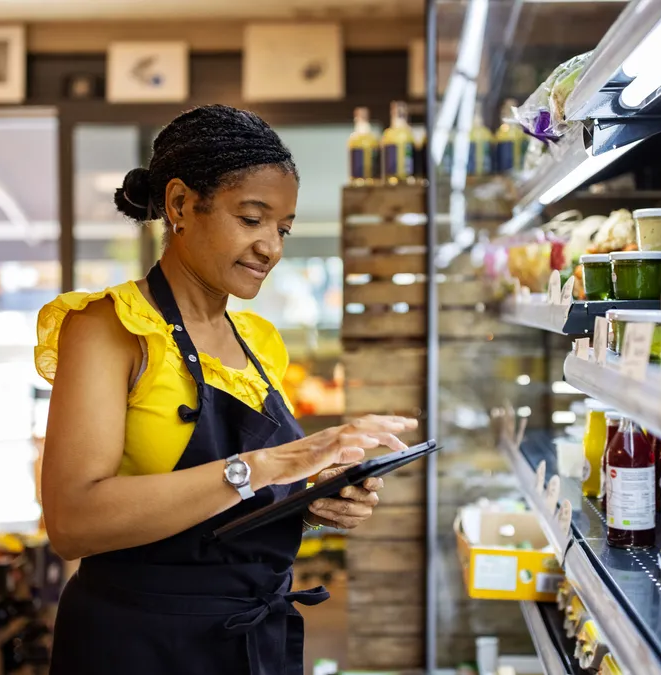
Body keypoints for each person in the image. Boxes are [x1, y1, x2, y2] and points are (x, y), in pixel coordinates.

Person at [35, 105, 416, 674]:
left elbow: (219, 516)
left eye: (282, 228)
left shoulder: (258, 342)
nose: (272, 248)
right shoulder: (108, 328)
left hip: (247, 643)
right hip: (140, 646)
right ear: (181, 205)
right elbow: (71, 521)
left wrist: (308, 501)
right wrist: (269, 465)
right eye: (251, 219)